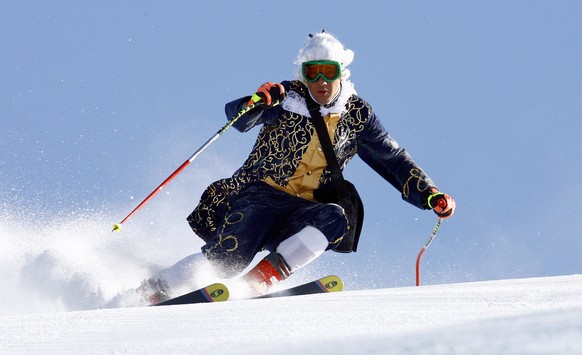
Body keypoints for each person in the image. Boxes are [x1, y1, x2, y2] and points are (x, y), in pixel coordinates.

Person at [137, 30, 456, 304]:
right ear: (303, 72)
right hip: (259, 196)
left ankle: (261, 280)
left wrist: (429, 193)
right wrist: (258, 100)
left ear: (341, 71)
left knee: (334, 219)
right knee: (227, 260)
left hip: (304, 208)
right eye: (312, 71)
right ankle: (156, 289)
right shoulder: (286, 97)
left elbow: (393, 159)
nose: (320, 81)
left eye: (327, 71)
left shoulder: (357, 115)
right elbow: (238, 118)